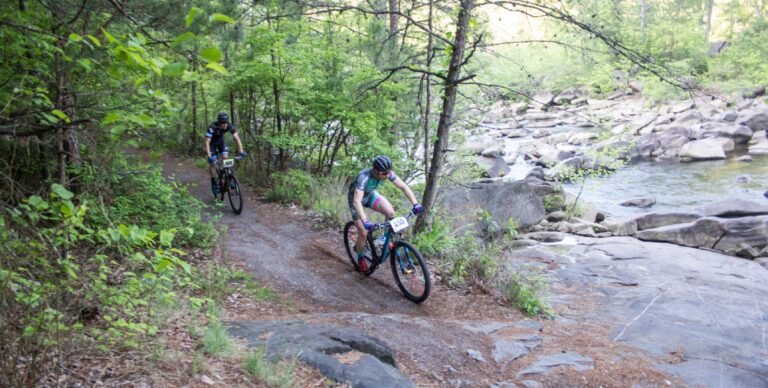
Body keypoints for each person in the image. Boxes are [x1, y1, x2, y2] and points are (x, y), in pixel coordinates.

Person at [348, 155, 423, 272]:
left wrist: (415, 203)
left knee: (391, 213)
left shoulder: (387, 173)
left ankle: (383, 238)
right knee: (363, 231)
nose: (387, 176)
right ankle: (361, 258)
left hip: (369, 195)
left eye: (388, 173)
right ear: (375, 171)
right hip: (356, 200)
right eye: (384, 173)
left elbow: (403, 186)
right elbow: (357, 201)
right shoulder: (364, 177)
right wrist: (365, 220)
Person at [205, 111, 246, 196]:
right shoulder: (212, 127)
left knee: (226, 158)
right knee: (212, 164)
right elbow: (207, 142)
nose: (225, 124)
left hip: (221, 142)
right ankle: (213, 184)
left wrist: (241, 152)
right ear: (219, 122)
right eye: (223, 123)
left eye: (226, 122)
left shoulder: (230, 126)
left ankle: (227, 178)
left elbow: (237, 138)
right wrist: (209, 156)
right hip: (211, 144)